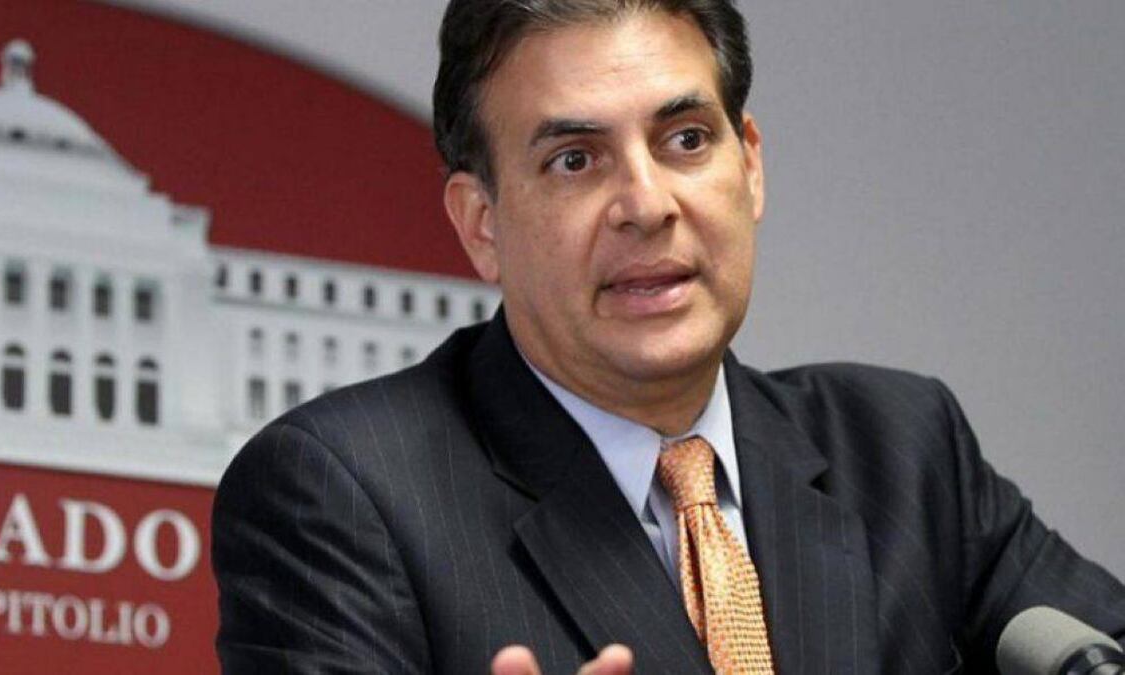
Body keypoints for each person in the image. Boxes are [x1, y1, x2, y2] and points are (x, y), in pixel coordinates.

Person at [212, 1, 1125, 673]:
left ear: (750, 166)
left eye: (685, 140)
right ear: (481, 223)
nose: (646, 205)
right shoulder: (342, 497)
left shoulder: (901, 447)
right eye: (575, 160)